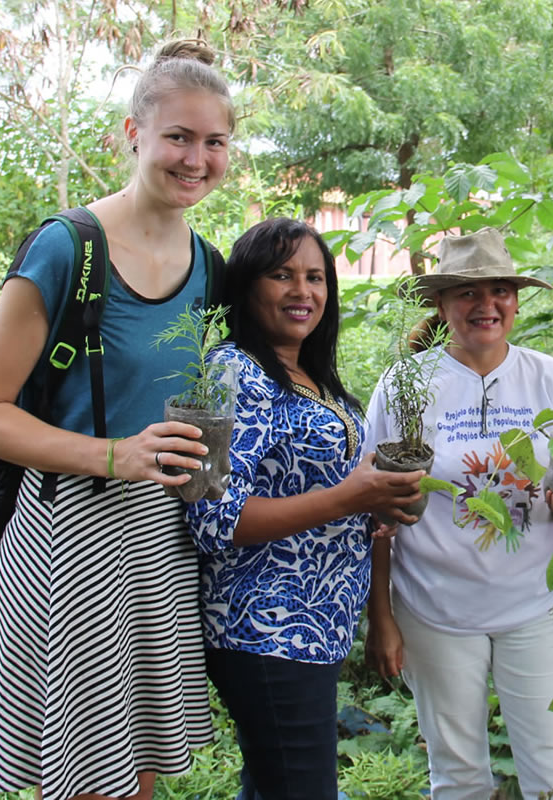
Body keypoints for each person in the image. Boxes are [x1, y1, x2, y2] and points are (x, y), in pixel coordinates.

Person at [0, 39, 234, 800]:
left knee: (137, 774)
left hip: (162, 541)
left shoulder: (209, 266)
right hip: (70, 536)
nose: (196, 159)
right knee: (83, 778)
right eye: (178, 136)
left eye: (214, 141)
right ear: (133, 133)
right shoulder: (68, 248)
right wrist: (115, 455)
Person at [185, 218, 424, 800]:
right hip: (264, 627)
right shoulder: (228, 371)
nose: (303, 291)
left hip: (317, 625)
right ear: (246, 285)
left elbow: (336, 494)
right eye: (282, 275)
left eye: (315, 277)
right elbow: (211, 515)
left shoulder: (315, 377)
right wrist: (352, 496)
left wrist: (382, 502)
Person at [364, 227, 553, 800]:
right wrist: (381, 615)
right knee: (458, 777)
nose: (486, 305)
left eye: (499, 291)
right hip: (433, 608)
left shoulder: (549, 376)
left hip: (535, 605)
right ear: (441, 304)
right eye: (467, 292)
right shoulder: (404, 385)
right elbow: (376, 511)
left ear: (515, 301)